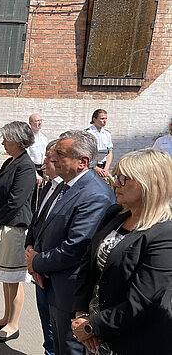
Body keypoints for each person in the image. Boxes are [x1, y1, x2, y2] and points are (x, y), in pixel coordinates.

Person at [71, 148, 172, 355]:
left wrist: (92, 326)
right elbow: (87, 264)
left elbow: (142, 302)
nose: (116, 183)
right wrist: (81, 314)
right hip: (94, 335)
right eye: (116, 176)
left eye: (124, 178)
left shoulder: (164, 233)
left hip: (131, 340)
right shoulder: (115, 213)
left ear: (150, 184)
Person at [25, 130, 116, 355]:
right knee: (56, 344)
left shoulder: (94, 194)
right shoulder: (67, 186)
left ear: (82, 162)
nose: (52, 158)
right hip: (52, 281)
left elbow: (76, 247)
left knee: (70, 348)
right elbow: (45, 225)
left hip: (71, 291)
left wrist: (36, 262)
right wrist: (33, 255)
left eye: (60, 154)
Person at [0, 121, 36, 342]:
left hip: (14, 227)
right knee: (6, 277)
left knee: (13, 277)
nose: (2, 141)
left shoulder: (26, 166)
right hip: (3, 225)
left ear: (17, 140)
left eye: (6, 138)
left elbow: (15, 202)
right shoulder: (11, 161)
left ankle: (13, 325)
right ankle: (6, 317)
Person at [25, 140, 62, 355]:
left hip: (52, 270)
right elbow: (37, 220)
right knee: (47, 328)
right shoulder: (48, 186)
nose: (44, 163)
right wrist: (29, 248)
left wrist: (37, 262)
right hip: (38, 266)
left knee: (57, 331)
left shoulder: (71, 192)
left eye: (50, 159)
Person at [85, 109, 113, 178]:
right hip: (90, 167)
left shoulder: (107, 134)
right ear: (94, 119)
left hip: (103, 167)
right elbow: (84, 153)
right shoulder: (87, 133)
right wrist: (95, 168)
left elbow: (109, 152)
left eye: (106, 118)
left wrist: (106, 168)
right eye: (102, 118)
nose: (105, 121)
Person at [27, 113, 49, 186]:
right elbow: (27, 157)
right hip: (32, 170)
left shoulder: (44, 138)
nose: (39, 123)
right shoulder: (28, 138)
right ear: (30, 123)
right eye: (37, 121)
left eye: (40, 120)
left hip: (43, 169)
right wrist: (35, 174)